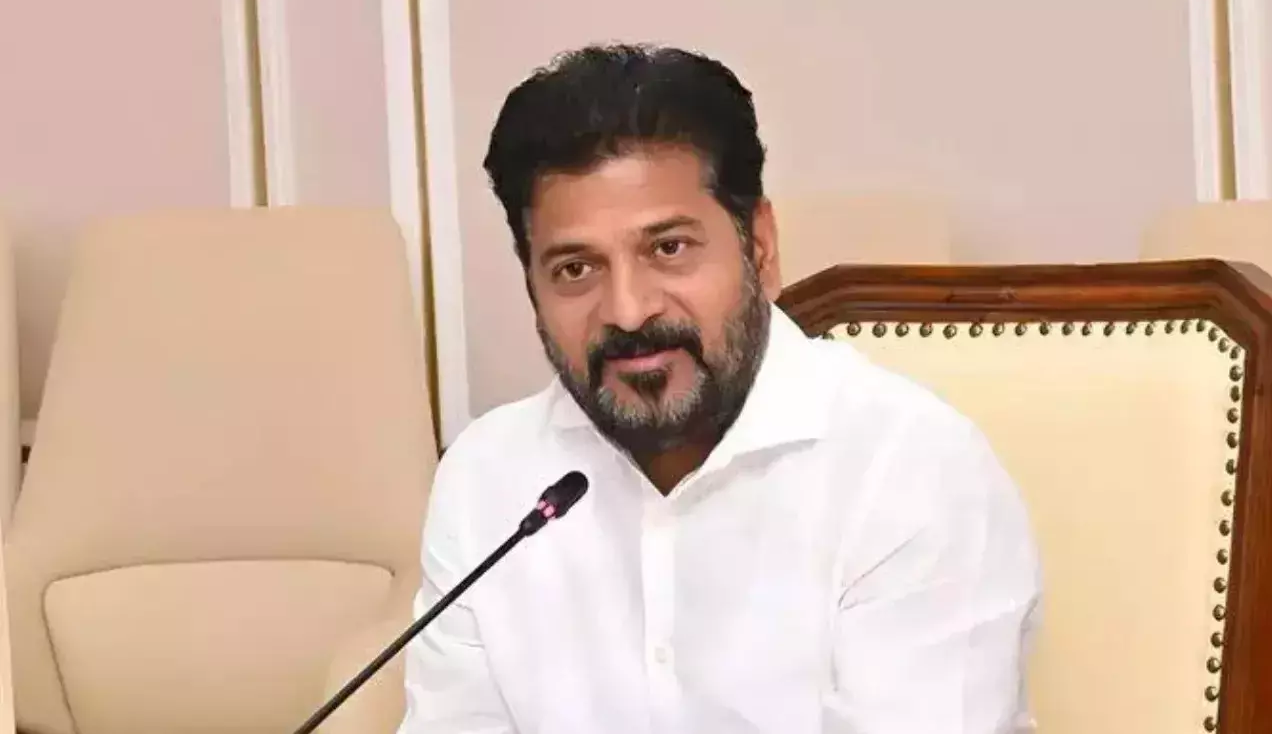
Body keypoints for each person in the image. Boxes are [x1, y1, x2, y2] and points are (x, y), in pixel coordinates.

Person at [397, 43, 1041, 733]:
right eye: (576, 269)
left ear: (759, 248)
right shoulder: (488, 481)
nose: (628, 311)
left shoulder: (912, 470)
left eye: (668, 249)